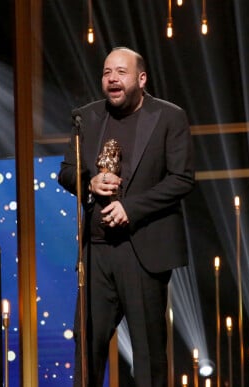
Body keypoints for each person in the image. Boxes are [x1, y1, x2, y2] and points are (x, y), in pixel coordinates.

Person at [58, 47, 195, 387]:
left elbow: (181, 179)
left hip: (143, 249)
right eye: (107, 73)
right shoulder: (86, 117)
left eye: (121, 72)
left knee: (148, 352)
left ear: (141, 78)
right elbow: (65, 172)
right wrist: (88, 181)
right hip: (98, 251)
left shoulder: (168, 117)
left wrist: (131, 209)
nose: (112, 79)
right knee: (86, 343)